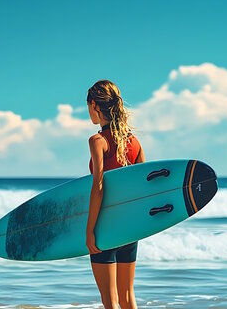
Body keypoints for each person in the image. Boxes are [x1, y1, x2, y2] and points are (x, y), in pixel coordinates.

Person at [85, 79, 145, 309]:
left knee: (110, 301)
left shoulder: (98, 141)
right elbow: (144, 190)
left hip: (106, 228)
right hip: (130, 229)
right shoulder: (134, 142)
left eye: (89, 107)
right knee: (128, 297)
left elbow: (98, 187)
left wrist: (90, 231)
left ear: (95, 106)